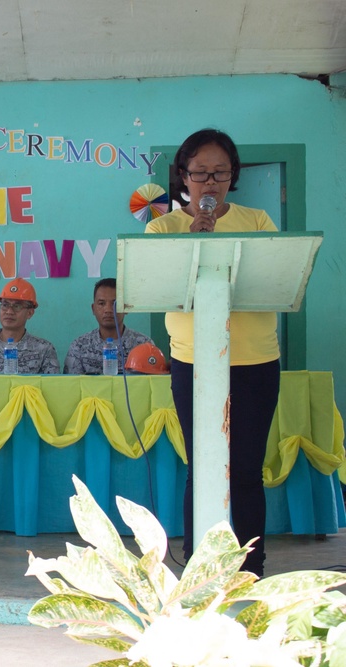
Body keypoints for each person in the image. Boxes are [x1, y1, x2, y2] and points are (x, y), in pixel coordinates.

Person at [146, 127, 280, 576]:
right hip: (195, 360)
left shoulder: (258, 220)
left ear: (232, 176)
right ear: (183, 176)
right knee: (202, 466)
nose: (209, 182)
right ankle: (200, 569)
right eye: (199, 173)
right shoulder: (162, 226)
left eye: (219, 173)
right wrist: (193, 236)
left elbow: (274, 280)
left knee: (245, 469)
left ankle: (250, 568)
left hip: (254, 359)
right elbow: (159, 285)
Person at [0, 278, 59, 374]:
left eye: (17, 306)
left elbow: (53, 387)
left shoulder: (44, 349)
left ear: (30, 313)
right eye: (5, 305)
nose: (9, 311)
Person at [63, 278, 151, 374]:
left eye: (115, 304)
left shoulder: (144, 345)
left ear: (125, 308)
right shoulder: (79, 347)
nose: (108, 309)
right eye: (101, 303)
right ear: (93, 309)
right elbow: (71, 385)